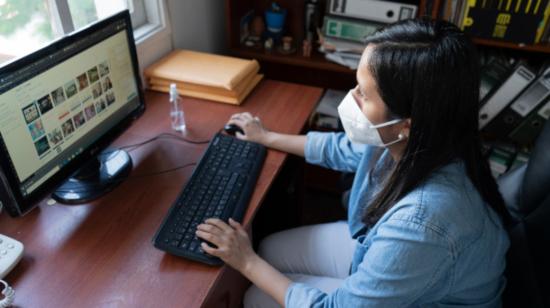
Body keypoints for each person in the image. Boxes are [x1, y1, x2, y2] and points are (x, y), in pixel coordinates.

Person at [196, 18, 511, 307]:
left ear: (407, 124)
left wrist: (246, 261)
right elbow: (343, 149)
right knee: (268, 248)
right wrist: (266, 137)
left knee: (256, 296)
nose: (352, 97)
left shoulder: (424, 223)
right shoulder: (425, 139)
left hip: (415, 275)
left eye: (364, 94)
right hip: (388, 253)